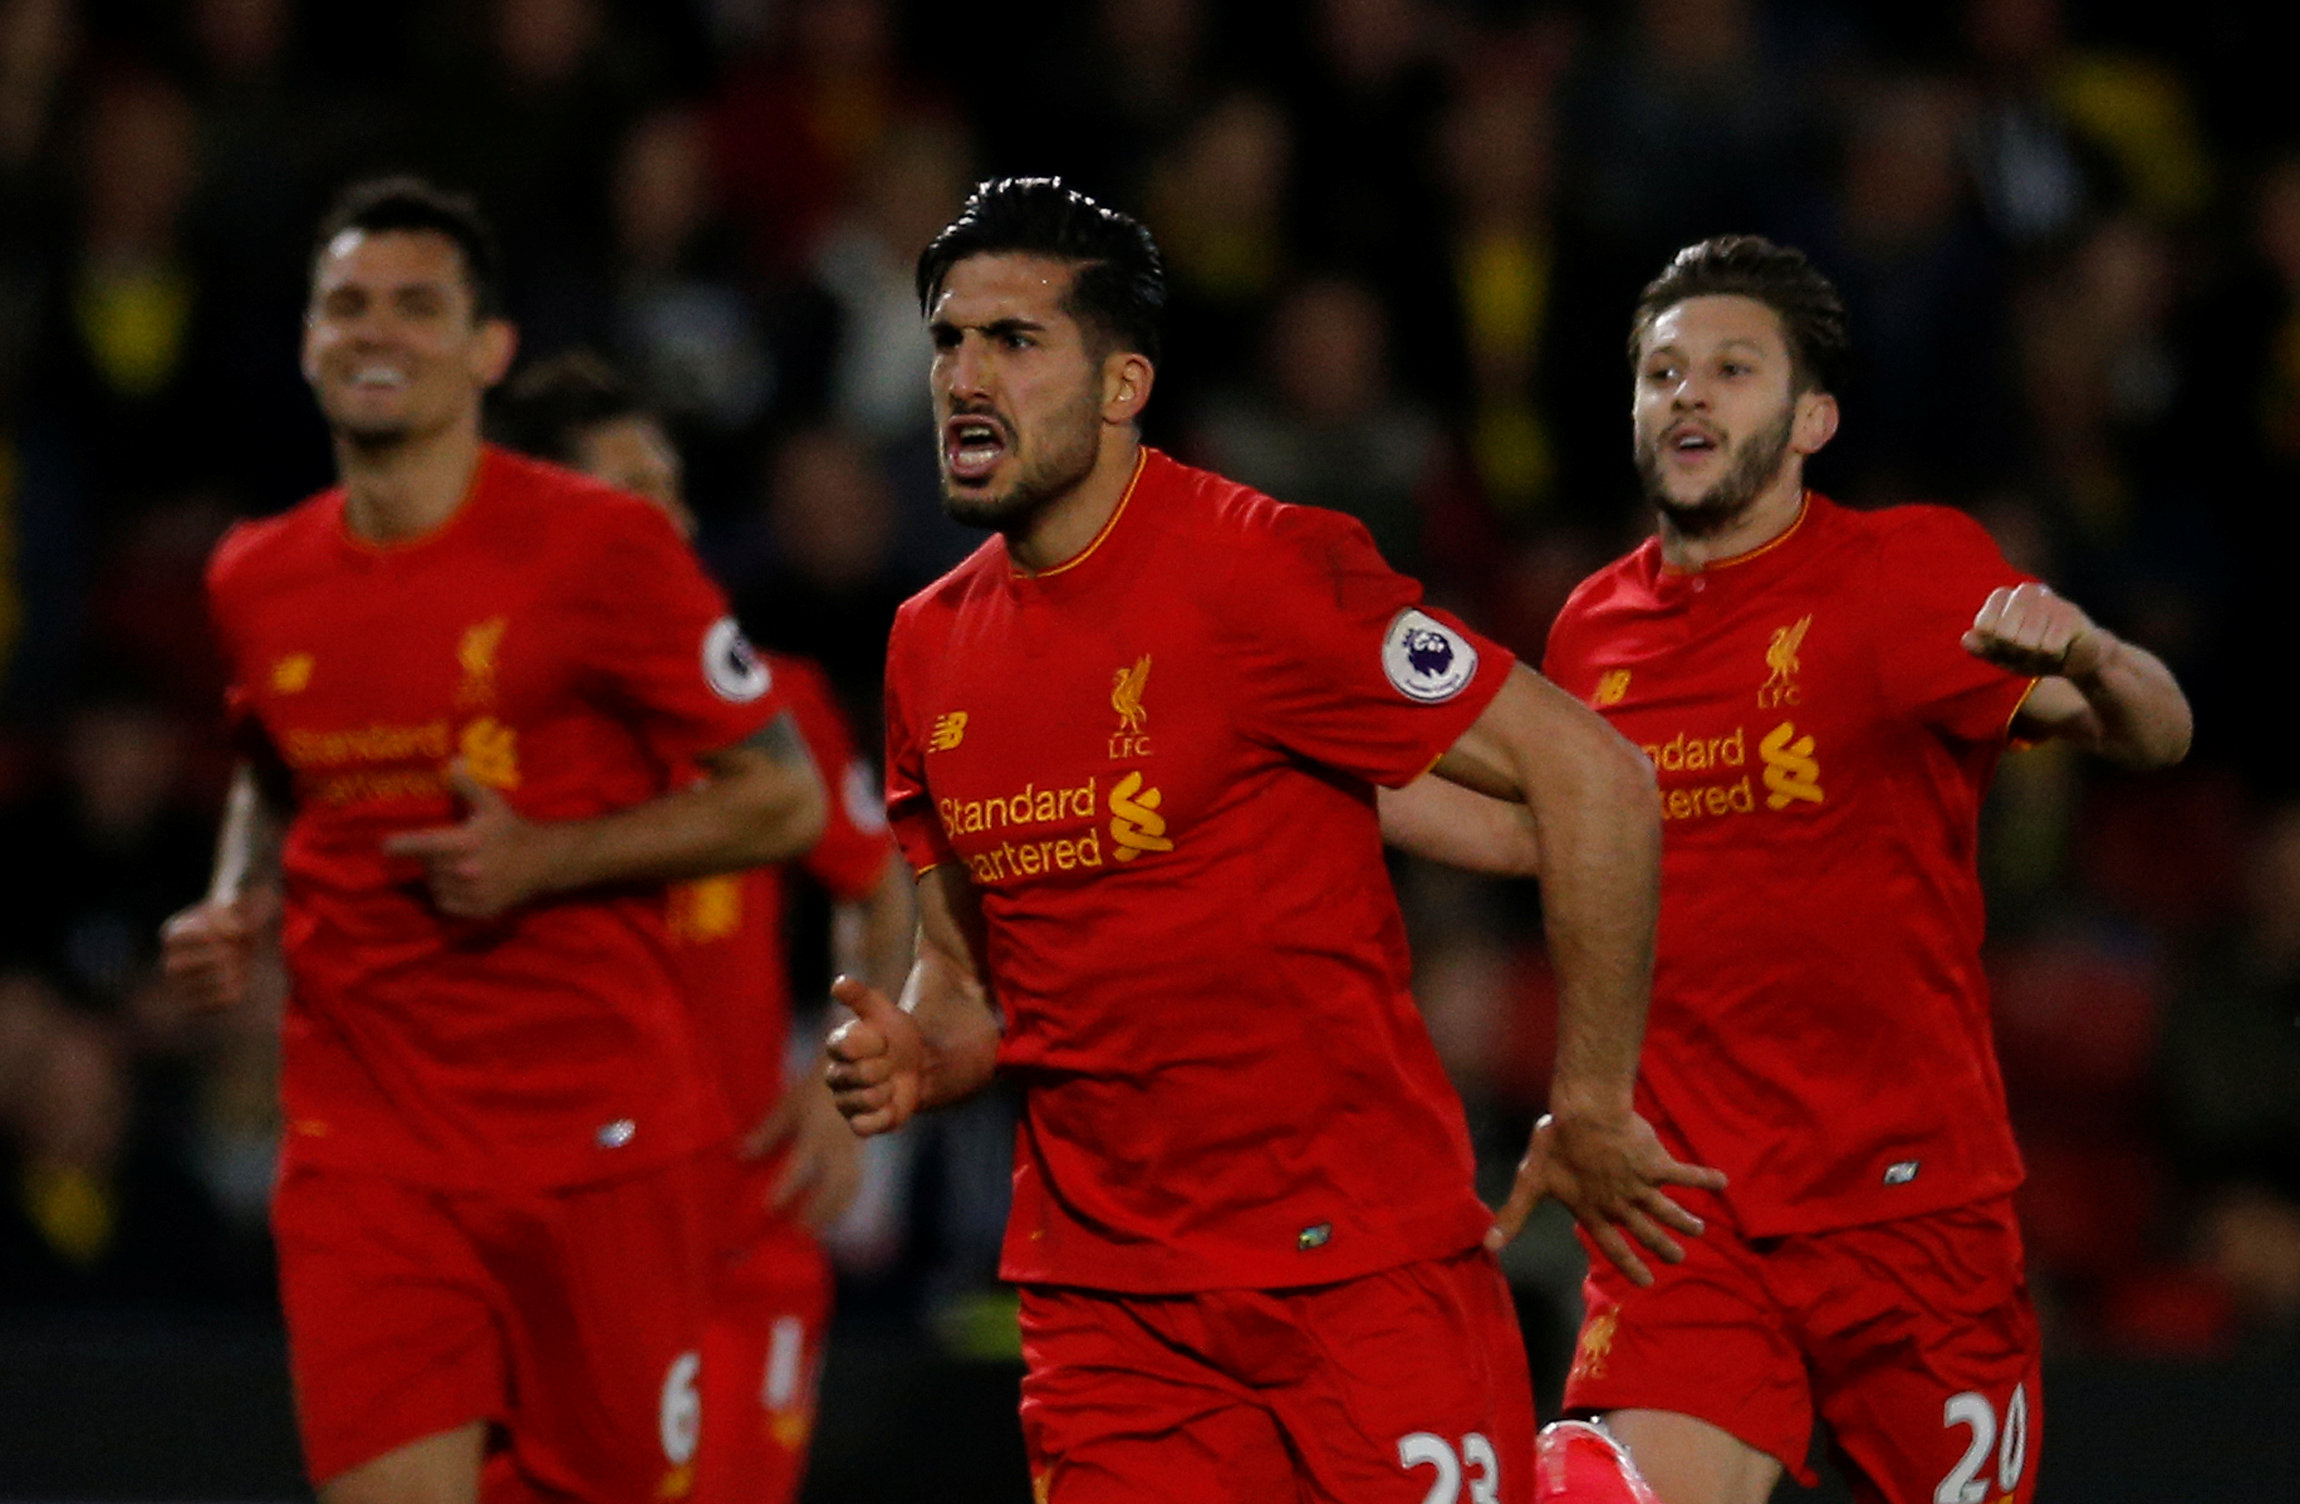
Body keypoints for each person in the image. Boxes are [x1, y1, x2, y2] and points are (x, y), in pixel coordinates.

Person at [824, 175, 1722, 1504]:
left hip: (1354, 1272)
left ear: (1124, 384)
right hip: (1105, 1305)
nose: (966, 375)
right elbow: (964, 989)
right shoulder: (925, 644)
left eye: (1015, 342)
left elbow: (1593, 779)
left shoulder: (1259, 571)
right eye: (950, 338)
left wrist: (1589, 1102)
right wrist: (918, 1050)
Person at [158, 178, 828, 1504]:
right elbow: (267, 754)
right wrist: (234, 894)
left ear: (488, 349)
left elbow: (785, 799)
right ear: (307, 341)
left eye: (419, 304)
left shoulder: (605, 549)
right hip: (368, 1155)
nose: (377, 330)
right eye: (347, 304)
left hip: (599, 1149)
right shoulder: (256, 575)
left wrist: (547, 861)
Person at [1539, 235, 2193, 1504]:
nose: (1687, 394)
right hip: (1690, 1206)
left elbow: (2159, 732)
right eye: (1662, 371)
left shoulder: (1902, 576)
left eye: (1731, 369)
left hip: (1908, 1205)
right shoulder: (1586, 632)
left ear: (1809, 419)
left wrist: (2094, 655)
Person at [492, 350, 914, 1504]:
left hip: (741, 1238)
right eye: (636, 491)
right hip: (556, 1253)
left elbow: (887, 890)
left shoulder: (776, 707)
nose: (673, 518)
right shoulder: (486, 738)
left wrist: (847, 1081)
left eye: (674, 487)